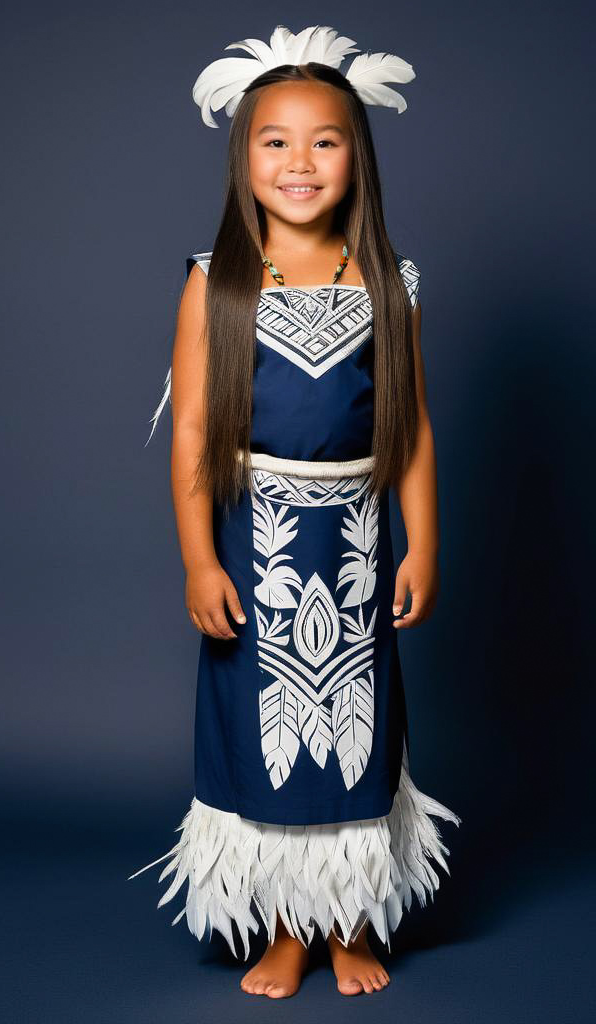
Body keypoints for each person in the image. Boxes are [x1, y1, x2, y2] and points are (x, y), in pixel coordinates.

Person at [129, 24, 461, 998]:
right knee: (263, 733)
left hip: (355, 544)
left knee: (358, 735)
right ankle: (284, 926)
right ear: (243, 156)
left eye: (324, 139)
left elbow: (416, 430)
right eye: (275, 139)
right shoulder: (215, 281)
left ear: (358, 156)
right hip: (254, 541)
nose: (299, 160)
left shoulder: (388, 285)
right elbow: (191, 435)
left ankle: (351, 922)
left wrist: (424, 543)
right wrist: (199, 558)